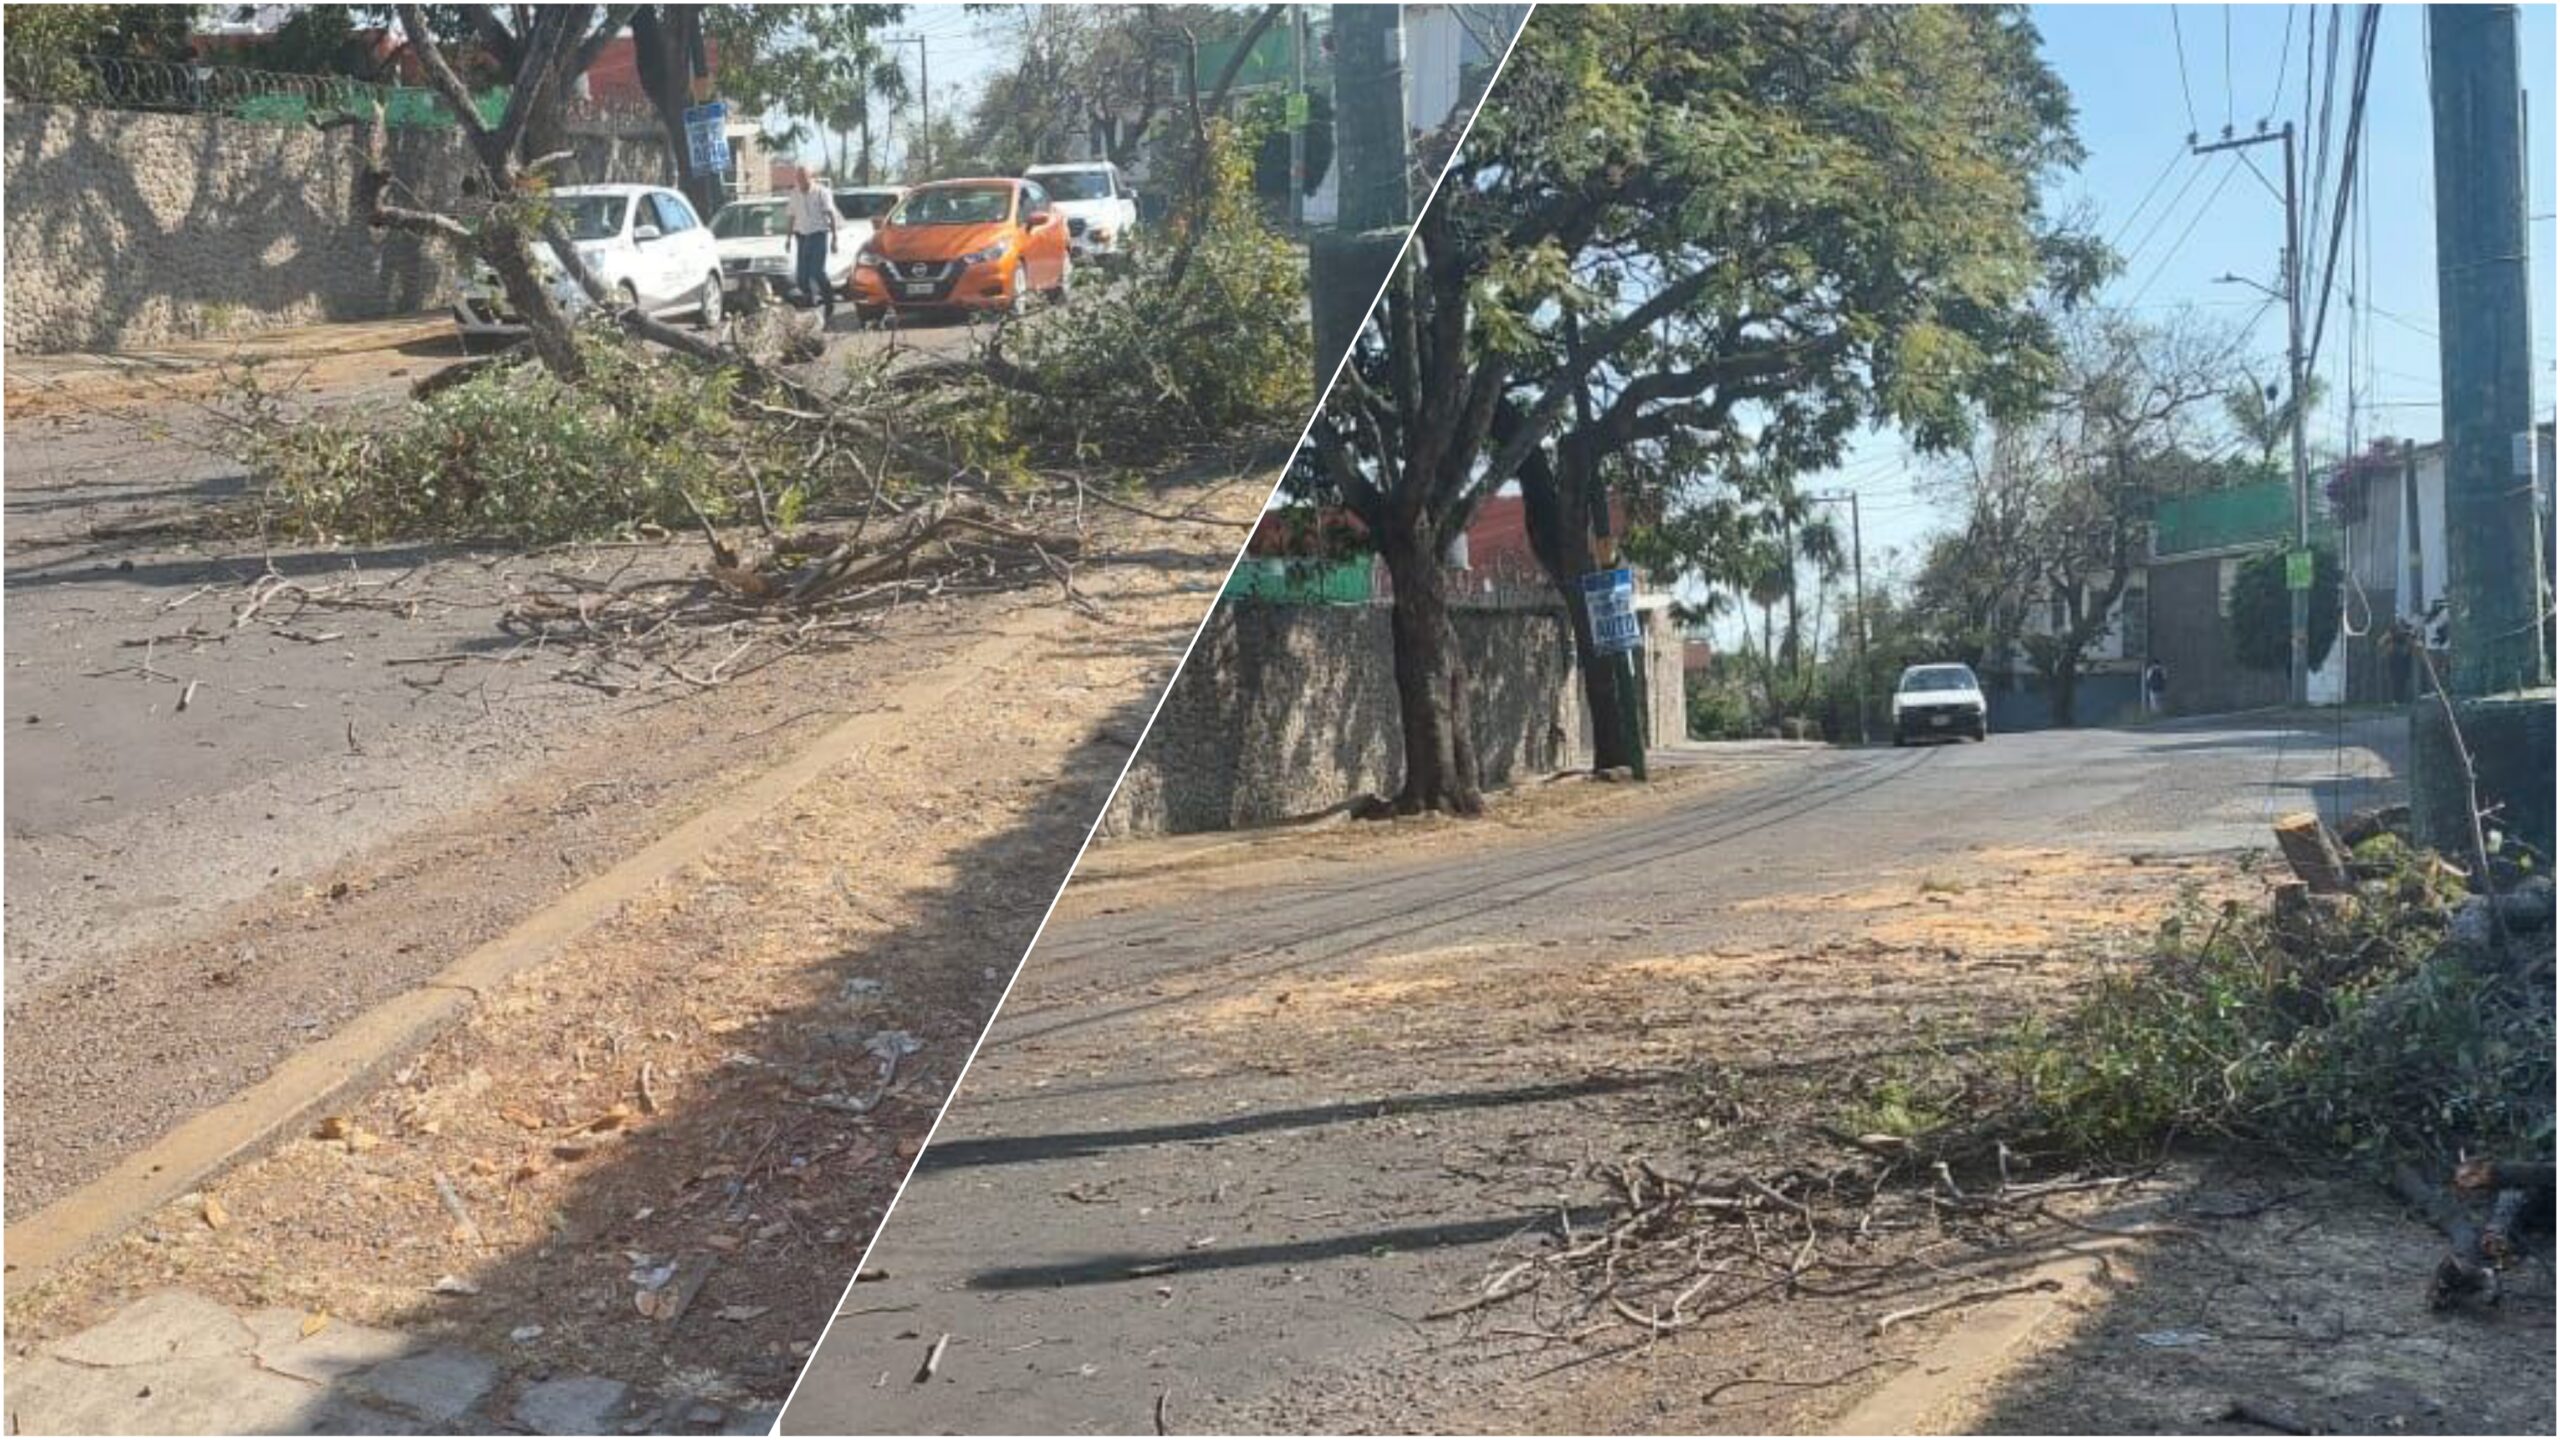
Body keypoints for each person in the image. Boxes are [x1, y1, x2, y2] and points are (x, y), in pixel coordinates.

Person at [786, 166, 839, 323]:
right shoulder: (794, 194)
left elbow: (831, 214)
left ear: (811, 177)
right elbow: (791, 216)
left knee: (817, 271)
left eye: (804, 177)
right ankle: (810, 300)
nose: (801, 181)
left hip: (818, 234)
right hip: (801, 235)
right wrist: (788, 238)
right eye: (798, 178)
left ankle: (829, 301)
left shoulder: (822, 192)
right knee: (802, 275)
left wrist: (834, 238)